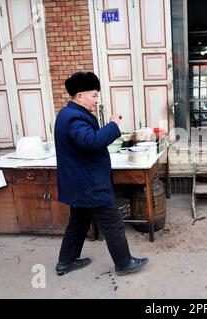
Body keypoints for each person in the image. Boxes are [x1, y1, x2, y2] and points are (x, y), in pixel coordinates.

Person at [54, 71, 148, 276]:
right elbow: (91, 141)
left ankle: (65, 262)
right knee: (112, 221)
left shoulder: (68, 114)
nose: (97, 100)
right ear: (80, 96)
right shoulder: (74, 118)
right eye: (94, 95)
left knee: (78, 222)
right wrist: (113, 124)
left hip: (79, 181)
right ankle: (124, 263)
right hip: (89, 183)